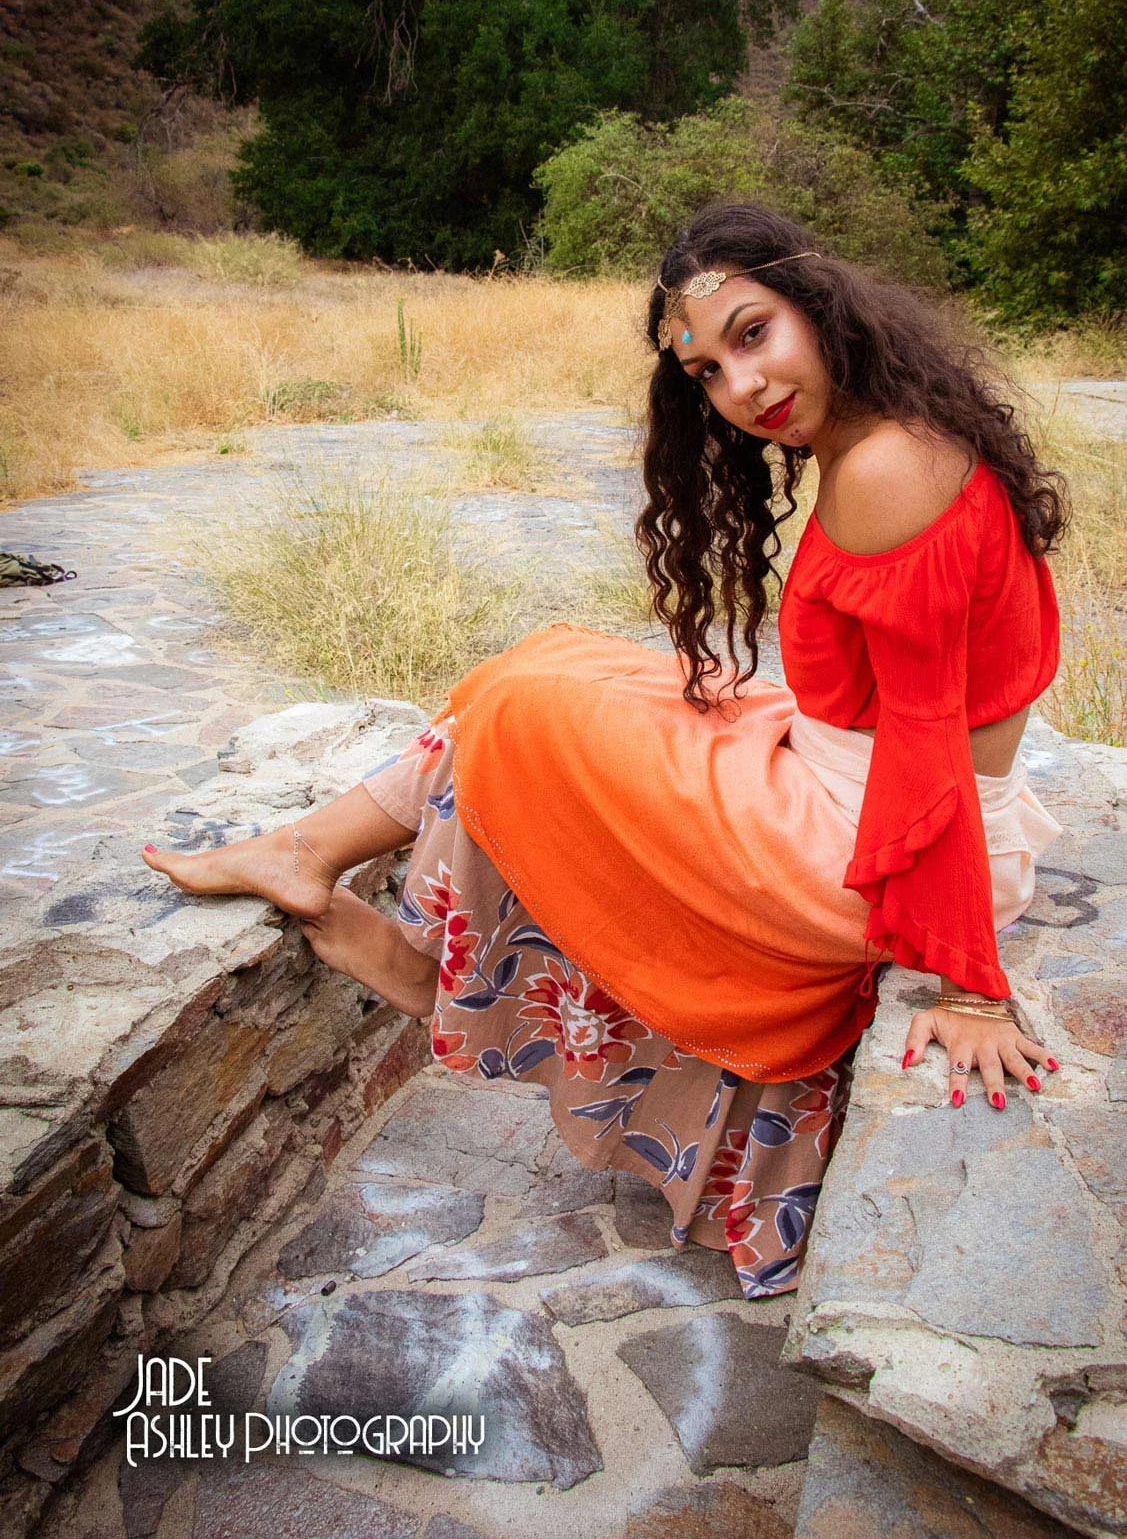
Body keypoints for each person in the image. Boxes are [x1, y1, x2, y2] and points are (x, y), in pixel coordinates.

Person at [142, 203, 1067, 1298]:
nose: (743, 387)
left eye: (753, 332)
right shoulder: (894, 431)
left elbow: (920, 740)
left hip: (857, 842)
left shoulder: (885, 470)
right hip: (867, 785)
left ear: (816, 298)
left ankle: (384, 931)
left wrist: (970, 989)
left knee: (523, 711)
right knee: (556, 671)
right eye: (709, 372)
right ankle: (313, 859)